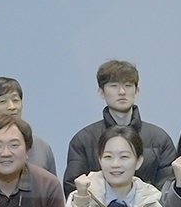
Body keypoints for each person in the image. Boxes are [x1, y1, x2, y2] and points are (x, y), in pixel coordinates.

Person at [62, 59, 175, 192]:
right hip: (97, 205)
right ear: (101, 92)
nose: (122, 92)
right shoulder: (83, 140)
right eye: (114, 86)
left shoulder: (159, 139)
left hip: (150, 205)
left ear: (137, 91)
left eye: (128, 85)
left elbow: (168, 189)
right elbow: (74, 189)